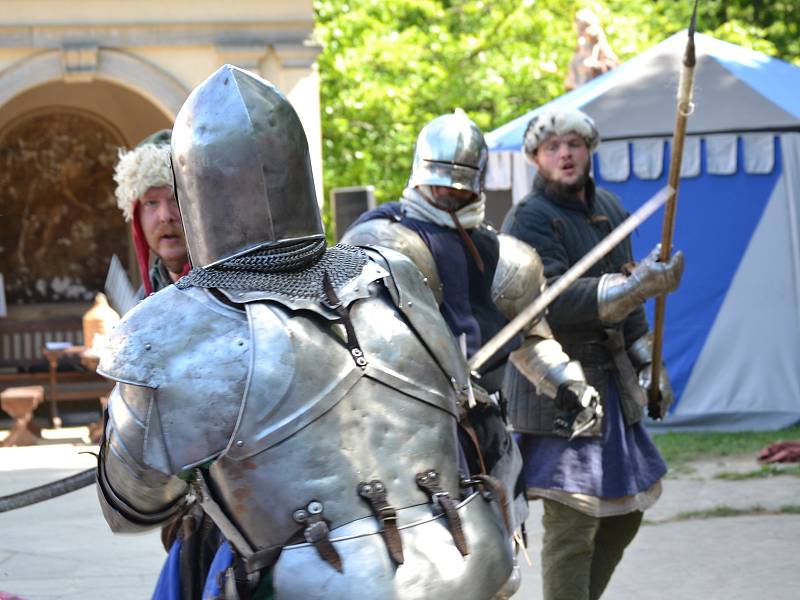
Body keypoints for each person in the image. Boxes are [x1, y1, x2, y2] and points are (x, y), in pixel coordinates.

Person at [95, 65, 514, 599]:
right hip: (459, 563)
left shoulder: (169, 327)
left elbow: (131, 507)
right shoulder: (391, 273)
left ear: (194, 189)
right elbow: (459, 400)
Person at [342, 111, 602, 595]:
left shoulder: (503, 254)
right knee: (412, 569)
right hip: (399, 436)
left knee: (494, 569)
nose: (449, 195)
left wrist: (568, 383)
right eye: (442, 185)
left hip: (481, 434)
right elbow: (353, 342)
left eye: (460, 188)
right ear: (422, 173)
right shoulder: (378, 239)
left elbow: (531, 338)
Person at [501, 107, 684, 600]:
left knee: (623, 517)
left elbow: (630, 290)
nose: (565, 153)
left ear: (589, 150)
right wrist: (634, 286)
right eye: (552, 146)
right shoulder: (529, 218)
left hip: (611, 379)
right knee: (573, 523)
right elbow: (550, 302)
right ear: (537, 158)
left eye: (574, 144)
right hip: (557, 383)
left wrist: (650, 362)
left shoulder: (608, 205)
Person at [113, 129, 189, 297]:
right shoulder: (142, 301)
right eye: (151, 203)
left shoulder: (240, 290)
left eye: (176, 199)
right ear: (137, 218)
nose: (165, 216)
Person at [564, 9, 618, 91]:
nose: (581, 33)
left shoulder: (599, 46)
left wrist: (595, 66)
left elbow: (613, 67)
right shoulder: (578, 51)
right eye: (579, 30)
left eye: (583, 28)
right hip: (582, 94)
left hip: (600, 91)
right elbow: (570, 82)